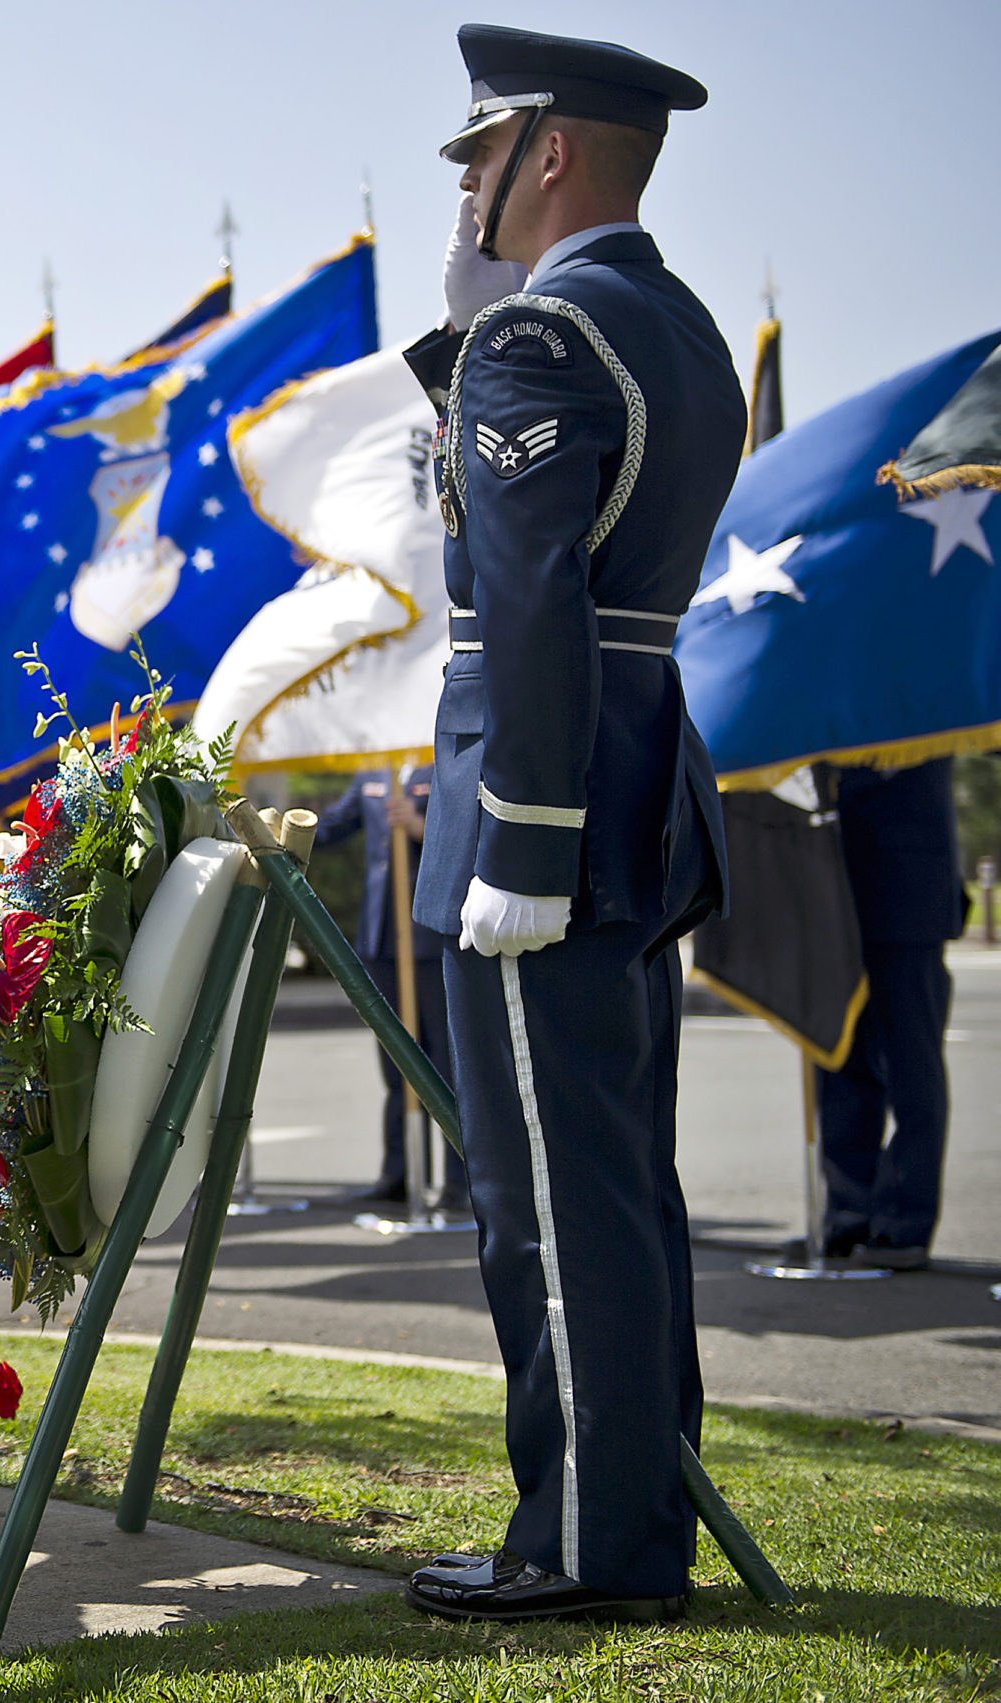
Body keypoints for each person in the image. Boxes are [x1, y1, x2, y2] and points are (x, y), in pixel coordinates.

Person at [399, 26, 741, 1627]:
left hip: (543, 799)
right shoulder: (676, 323)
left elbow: (531, 595)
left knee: (544, 1194)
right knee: (612, 1175)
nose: (467, 184)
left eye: (481, 153)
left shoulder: (540, 335)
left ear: (546, 152)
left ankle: (591, 1541)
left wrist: (522, 842)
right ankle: (635, 1504)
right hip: (637, 775)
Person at [817, 759, 964, 1269]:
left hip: (912, 890)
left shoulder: (930, 709)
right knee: (838, 1060)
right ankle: (847, 1214)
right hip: (834, 885)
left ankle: (903, 1223)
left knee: (912, 1067)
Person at [312, 769, 464, 1210]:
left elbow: (469, 836)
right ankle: (400, 1174)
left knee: (446, 1065)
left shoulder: (444, 763)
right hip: (382, 939)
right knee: (397, 1063)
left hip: (431, 940)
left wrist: (420, 827)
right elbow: (331, 827)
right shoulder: (373, 770)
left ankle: (462, 1181)